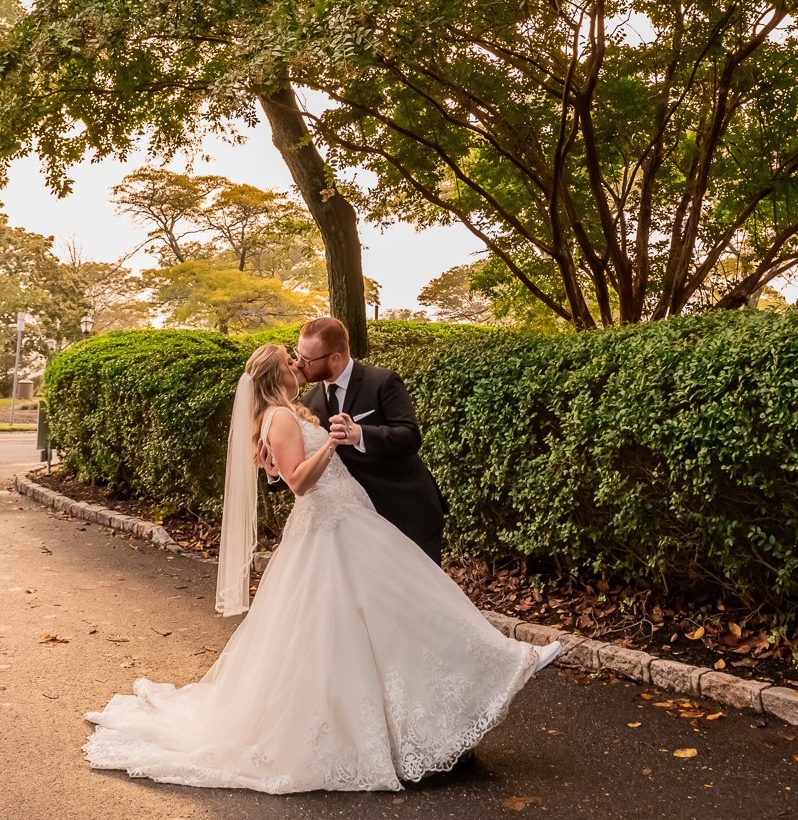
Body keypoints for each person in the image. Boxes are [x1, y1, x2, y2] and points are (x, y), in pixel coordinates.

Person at [83, 343, 560, 793]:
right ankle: (499, 663)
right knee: (397, 608)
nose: (298, 365)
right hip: (332, 528)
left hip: (349, 522)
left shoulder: (287, 413)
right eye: (290, 361)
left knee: (390, 613)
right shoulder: (281, 418)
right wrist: (330, 445)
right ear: (277, 375)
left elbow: (282, 470)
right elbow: (297, 483)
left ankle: (447, 700)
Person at [280, 316, 447, 563]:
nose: (300, 364)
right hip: (356, 526)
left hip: (406, 512)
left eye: (307, 359)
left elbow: (410, 436)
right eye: (298, 354)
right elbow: (306, 467)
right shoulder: (309, 402)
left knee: (420, 598)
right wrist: (274, 472)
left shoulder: (382, 382)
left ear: (335, 358)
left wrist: (360, 434)